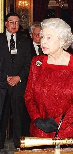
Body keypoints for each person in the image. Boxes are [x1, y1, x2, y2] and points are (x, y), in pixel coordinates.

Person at [24, 18, 73, 138]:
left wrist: (59, 122)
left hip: (69, 131)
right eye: (42, 37)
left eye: (49, 37)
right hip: (39, 131)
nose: (43, 42)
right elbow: (29, 96)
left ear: (62, 40)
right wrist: (36, 119)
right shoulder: (36, 62)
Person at [0, 12, 31, 148]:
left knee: (18, 117)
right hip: (2, 85)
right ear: (6, 23)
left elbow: (28, 63)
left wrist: (18, 77)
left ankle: (19, 145)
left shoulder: (24, 41)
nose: (14, 25)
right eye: (11, 22)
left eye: (17, 22)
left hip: (18, 86)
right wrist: (4, 77)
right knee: (1, 117)